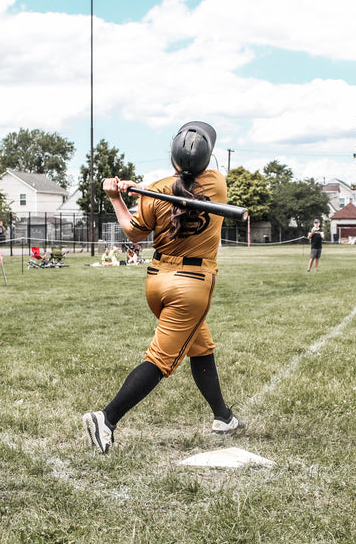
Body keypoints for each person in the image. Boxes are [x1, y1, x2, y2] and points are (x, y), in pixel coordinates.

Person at [83, 121, 243, 453]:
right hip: (191, 288)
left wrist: (117, 198)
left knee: (201, 346)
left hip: (157, 282)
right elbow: (180, 187)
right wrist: (139, 188)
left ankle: (223, 416)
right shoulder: (217, 183)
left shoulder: (155, 192)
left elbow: (133, 232)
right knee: (160, 361)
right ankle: (107, 419)